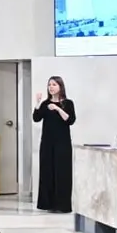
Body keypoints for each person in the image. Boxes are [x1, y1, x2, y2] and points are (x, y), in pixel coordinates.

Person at [32, 76, 76, 213]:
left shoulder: (68, 103)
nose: (51, 87)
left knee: (62, 173)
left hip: (62, 143)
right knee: (47, 172)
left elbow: (70, 120)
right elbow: (36, 118)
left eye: (54, 84)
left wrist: (57, 109)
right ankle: (47, 204)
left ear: (60, 87)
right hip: (47, 143)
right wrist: (38, 103)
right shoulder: (45, 104)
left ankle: (62, 205)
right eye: (49, 84)